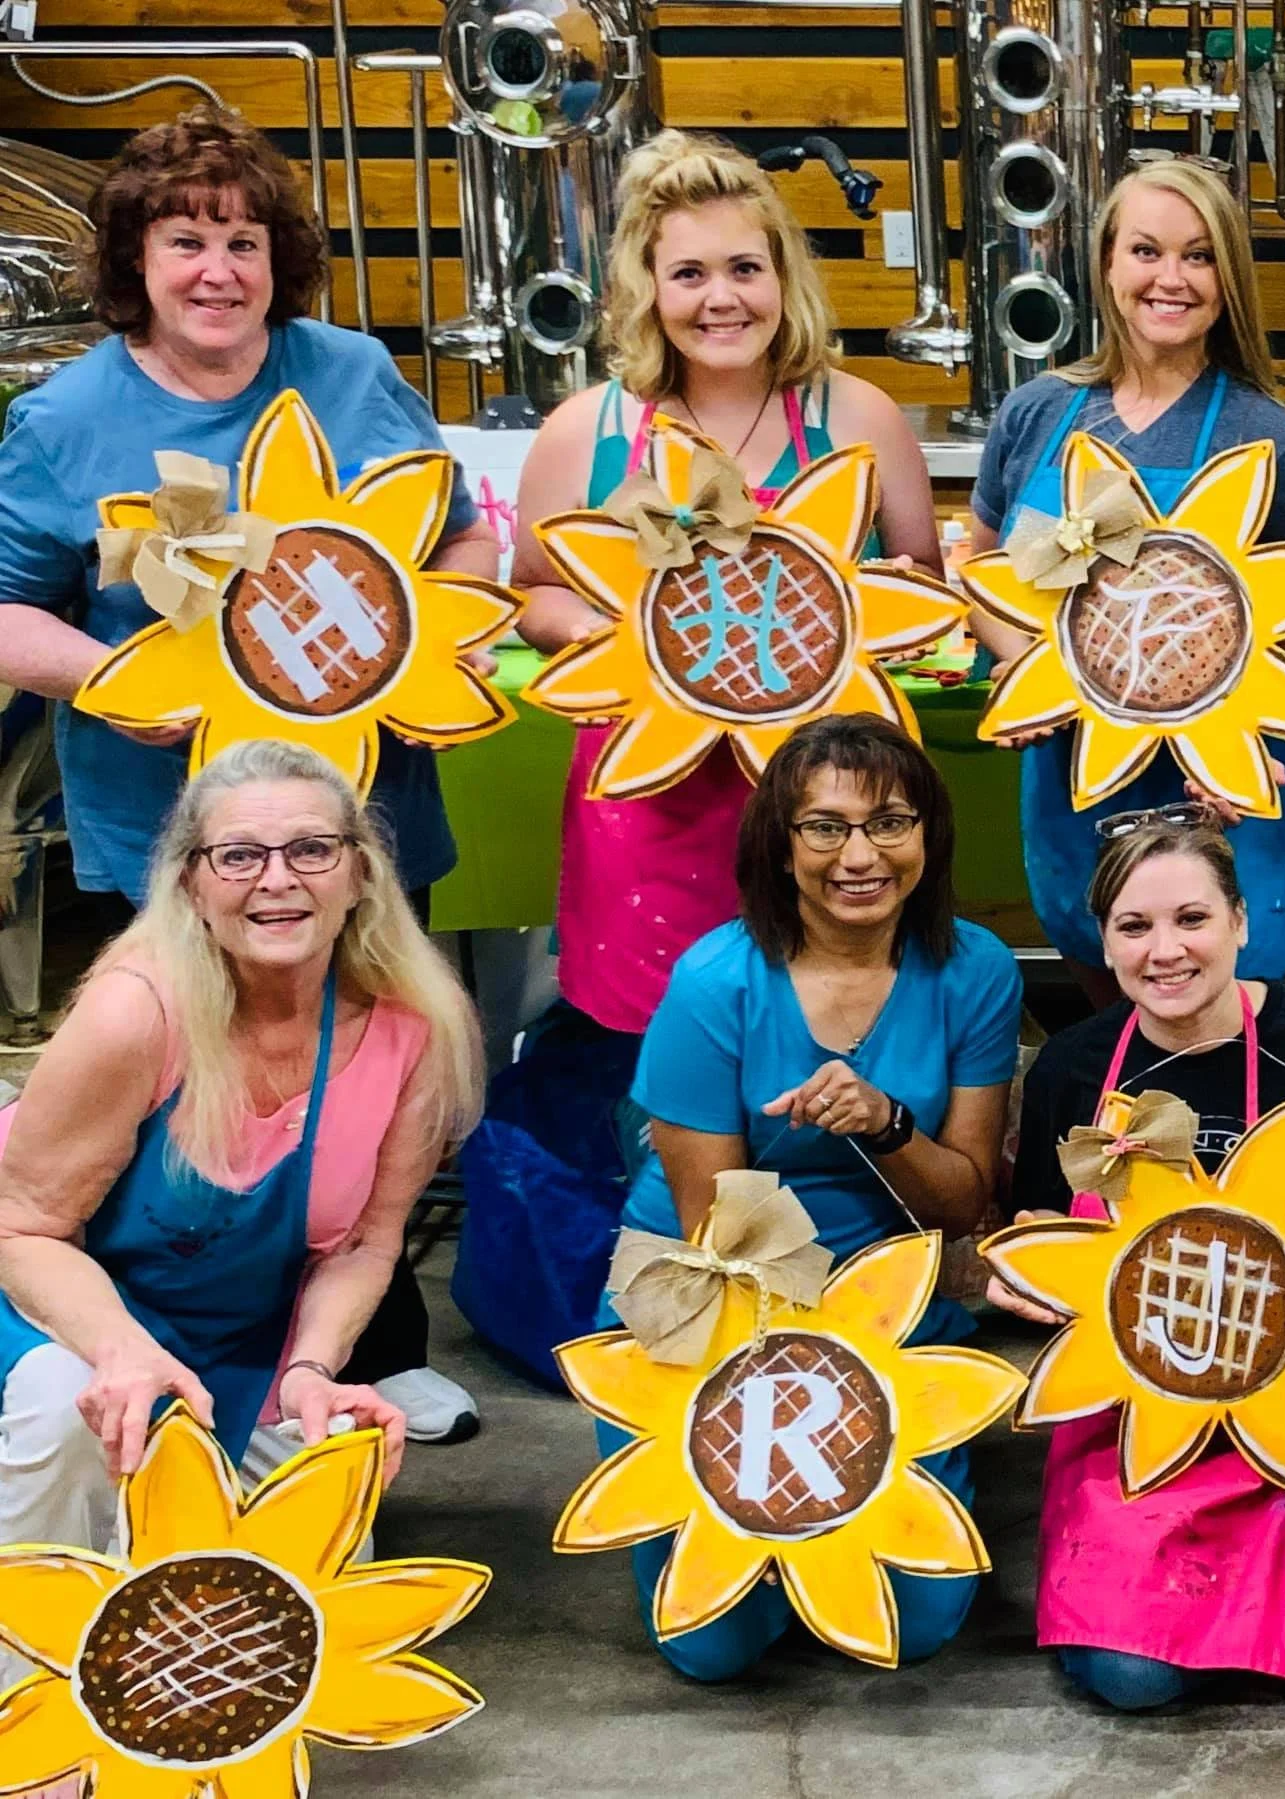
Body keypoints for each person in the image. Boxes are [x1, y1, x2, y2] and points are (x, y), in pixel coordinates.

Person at [0, 105, 492, 1441]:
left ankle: (366, 1355)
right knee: (174, 1102)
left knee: (371, 1079)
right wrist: (106, 679)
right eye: (184, 240)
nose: (216, 267)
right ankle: (130, 1349)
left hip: (356, 821)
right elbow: (5, 606)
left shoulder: (347, 371)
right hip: (161, 817)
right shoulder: (64, 419)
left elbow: (450, 543)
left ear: (280, 256)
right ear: (134, 260)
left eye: (241, 238)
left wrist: (424, 643)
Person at [0, 740, 484, 1610]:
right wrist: (123, 1353)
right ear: (190, 882)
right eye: (239, 856)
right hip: (62, 1315)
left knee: (312, 1575)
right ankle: (20, 1676)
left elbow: (369, 1245)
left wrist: (309, 1367)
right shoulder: (137, 1010)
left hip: (238, 1344)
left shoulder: (415, 1027)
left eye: (311, 849)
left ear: (360, 873)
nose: (277, 879)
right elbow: (21, 1226)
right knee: (66, 1412)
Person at [989, 810, 1285, 1709]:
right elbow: (1039, 1217)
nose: (1165, 950)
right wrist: (1020, 1271)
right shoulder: (1076, 1069)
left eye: (1191, 918)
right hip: (1141, 1412)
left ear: (1241, 920)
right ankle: (1215, 1613)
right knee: (1130, 1680)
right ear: (1103, 940)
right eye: (1134, 926)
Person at [597, 714, 1022, 1679]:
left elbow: (960, 1208)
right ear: (779, 847)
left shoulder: (976, 969)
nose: (860, 855)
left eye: (890, 822)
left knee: (913, 1624)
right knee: (716, 1646)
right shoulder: (715, 979)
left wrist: (885, 1123)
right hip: (711, 1295)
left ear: (929, 837)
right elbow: (717, 1233)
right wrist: (803, 1405)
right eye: (823, 827)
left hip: (883, 1288)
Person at [514, 130, 943, 1055]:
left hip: (828, 797)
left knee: (827, 1035)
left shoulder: (857, 417)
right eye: (689, 274)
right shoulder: (583, 430)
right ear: (647, 288)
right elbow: (530, 596)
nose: (720, 299)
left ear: (784, 278)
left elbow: (922, 584)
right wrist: (637, 638)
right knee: (660, 1050)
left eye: (744, 268)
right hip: (652, 790)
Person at [967, 157, 1285, 1009]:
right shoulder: (1037, 414)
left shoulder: (1267, 439)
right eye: (1145, 251)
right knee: (1107, 991)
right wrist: (1027, 662)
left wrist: (1239, 722)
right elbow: (985, 571)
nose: (1169, 279)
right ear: (1104, 264)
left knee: (1222, 1020)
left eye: (1199, 256)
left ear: (1229, 280)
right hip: (1075, 771)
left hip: (1220, 790)